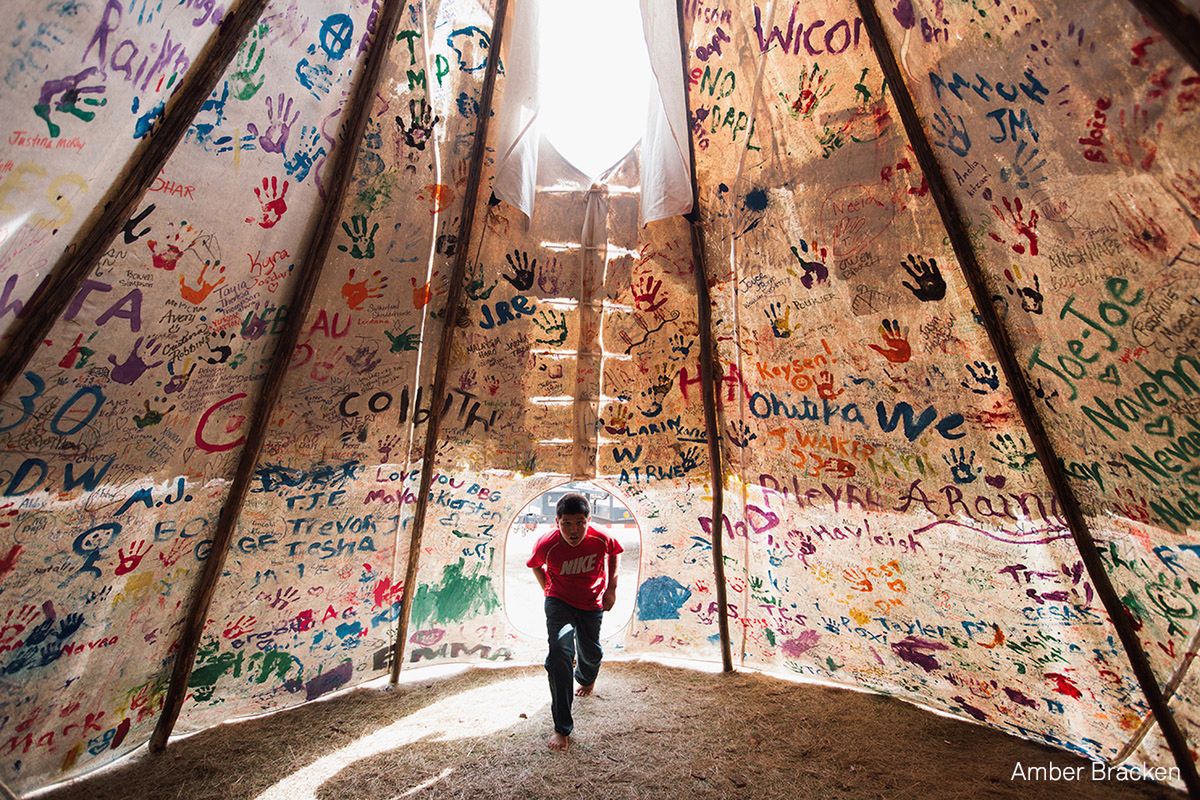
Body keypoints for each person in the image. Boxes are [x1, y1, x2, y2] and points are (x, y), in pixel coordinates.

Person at [527, 492, 623, 751]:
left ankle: (586, 675)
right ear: (556, 521)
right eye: (567, 523)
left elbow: (615, 551)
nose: (574, 530)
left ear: (588, 520)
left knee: (591, 652)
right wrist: (547, 589)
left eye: (580, 522)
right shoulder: (547, 543)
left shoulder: (600, 537)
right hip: (559, 603)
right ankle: (562, 727)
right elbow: (535, 565)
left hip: (591, 603)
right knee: (559, 655)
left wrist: (611, 588)